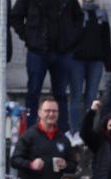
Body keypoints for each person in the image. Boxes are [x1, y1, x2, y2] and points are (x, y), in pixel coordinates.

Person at [9, 0, 83, 133]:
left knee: (60, 93)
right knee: (33, 91)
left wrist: (71, 39)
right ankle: (31, 130)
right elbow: (15, 17)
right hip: (38, 51)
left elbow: (79, 17)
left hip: (62, 51)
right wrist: (29, 37)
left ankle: (62, 131)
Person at [67, 0, 111, 147]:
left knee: (92, 98)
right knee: (76, 96)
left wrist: (108, 63)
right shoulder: (74, 8)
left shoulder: (101, 12)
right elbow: (68, 34)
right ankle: (75, 131)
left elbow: (106, 38)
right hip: (76, 59)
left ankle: (87, 131)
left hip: (96, 60)